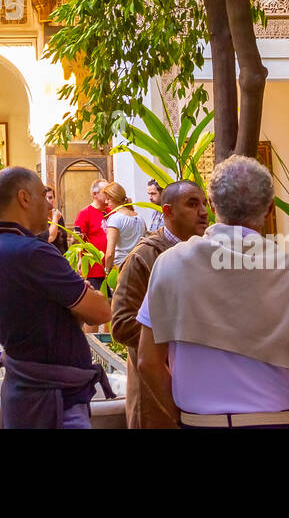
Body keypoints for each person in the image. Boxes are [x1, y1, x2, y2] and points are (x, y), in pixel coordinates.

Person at [137, 156, 289, 429]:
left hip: (200, 423)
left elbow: (148, 361)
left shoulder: (170, 265)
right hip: (277, 421)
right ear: (270, 210)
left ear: (212, 204)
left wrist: (179, 415)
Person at [0, 167, 112, 428]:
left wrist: (75, 304)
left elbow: (41, 319)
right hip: (52, 402)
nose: (51, 205)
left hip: (30, 392)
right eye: (44, 195)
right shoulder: (32, 252)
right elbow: (101, 312)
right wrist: (87, 297)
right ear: (24, 198)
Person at [111, 180, 209, 428]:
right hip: (155, 391)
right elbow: (122, 324)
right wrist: (176, 338)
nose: (203, 211)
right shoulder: (144, 258)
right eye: (192, 203)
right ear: (168, 211)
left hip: (200, 385)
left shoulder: (208, 252)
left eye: (205, 203)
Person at [73, 179, 110, 331]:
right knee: (93, 311)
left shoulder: (111, 211)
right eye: (105, 192)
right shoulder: (85, 214)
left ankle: (110, 345)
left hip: (111, 267)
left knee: (111, 307)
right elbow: (77, 241)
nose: (109, 195)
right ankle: (92, 348)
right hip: (94, 268)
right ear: (95, 194)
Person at [103, 181, 146, 273]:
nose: (106, 202)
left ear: (114, 198)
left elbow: (110, 253)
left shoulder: (115, 219)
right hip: (139, 265)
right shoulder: (139, 218)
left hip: (121, 266)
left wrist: (107, 270)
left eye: (108, 199)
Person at [45, 185, 69, 255]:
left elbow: (64, 241)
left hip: (62, 257)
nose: (47, 200)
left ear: (54, 199)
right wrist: (55, 218)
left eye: (50, 197)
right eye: (44, 198)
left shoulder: (59, 216)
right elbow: (50, 237)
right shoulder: (39, 218)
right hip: (49, 257)